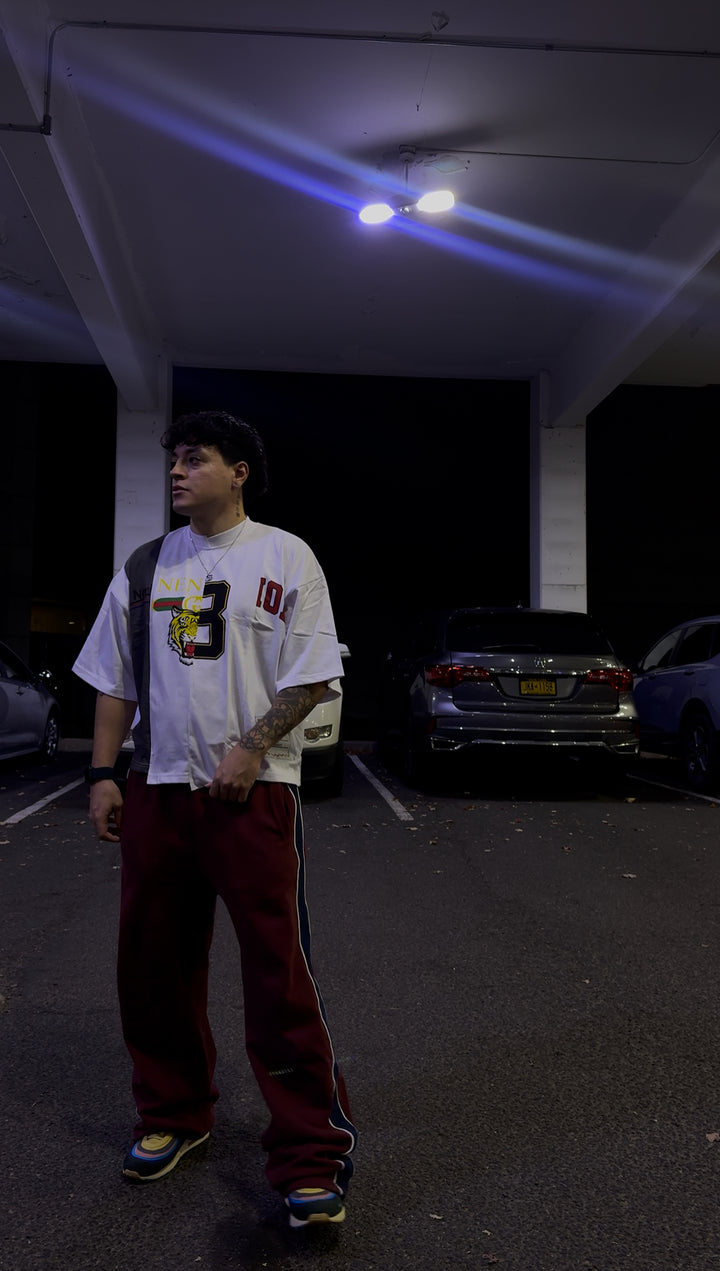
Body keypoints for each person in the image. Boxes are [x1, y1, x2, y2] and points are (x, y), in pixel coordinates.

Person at [72, 409, 356, 1229]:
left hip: (253, 794)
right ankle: (173, 1112)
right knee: (152, 967)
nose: (177, 471)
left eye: (195, 459)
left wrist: (250, 746)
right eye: (174, 460)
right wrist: (102, 773)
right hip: (159, 793)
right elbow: (113, 680)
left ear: (239, 471)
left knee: (277, 974)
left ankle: (309, 1154)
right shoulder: (146, 564)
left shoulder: (284, 554)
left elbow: (312, 677)